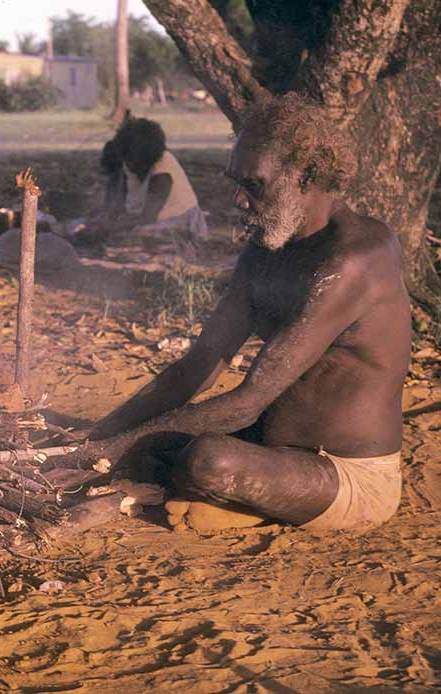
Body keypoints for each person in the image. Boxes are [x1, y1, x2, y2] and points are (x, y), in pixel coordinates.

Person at [70, 93, 410, 532]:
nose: (238, 199)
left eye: (254, 185)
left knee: (208, 458)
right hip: (269, 452)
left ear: (306, 178)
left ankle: (230, 502)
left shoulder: (355, 258)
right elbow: (196, 366)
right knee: (155, 447)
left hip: (345, 475)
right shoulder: (266, 250)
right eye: (237, 182)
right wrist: (99, 437)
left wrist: (115, 450)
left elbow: (249, 402)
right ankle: (228, 500)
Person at [79, 115, 208, 246]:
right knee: (85, 223)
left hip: (180, 221)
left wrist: (109, 226)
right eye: (127, 160)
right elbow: (116, 205)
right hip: (143, 220)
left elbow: (148, 218)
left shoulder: (162, 173)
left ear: (147, 160)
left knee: (139, 236)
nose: (130, 166)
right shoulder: (128, 158)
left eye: (134, 162)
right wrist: (103, 218)